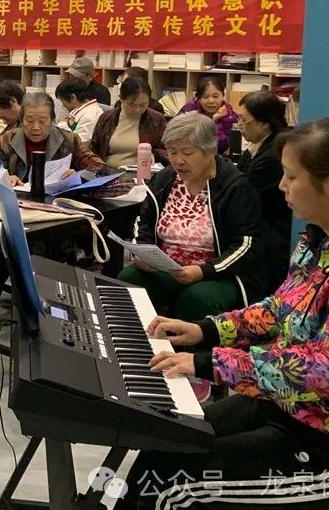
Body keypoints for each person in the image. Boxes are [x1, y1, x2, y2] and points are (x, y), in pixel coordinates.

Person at [106, 118, 329, 510]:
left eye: (291, 176)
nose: (281, 186)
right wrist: (205, 330)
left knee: (169, 486)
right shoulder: (323, 239)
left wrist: (208, 362)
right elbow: (279, 308)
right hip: (298, 409)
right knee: (168, 440)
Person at [0, 93, 108, 334]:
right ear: (21, 119)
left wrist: (79, 175)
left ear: (53, 120)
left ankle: (49, 306)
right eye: (29, 121)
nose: (36, 127)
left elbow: (99, 168)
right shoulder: (7, 139)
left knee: (46, 242)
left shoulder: (68, 140)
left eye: (43, 121)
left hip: (55, 215)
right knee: (5, 240)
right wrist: (5, 178)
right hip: (18, 210)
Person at [117, 113, 263, 332]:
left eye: (187, 152)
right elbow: (145, 220)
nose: (178, 160)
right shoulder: (165, 179)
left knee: (197, 299)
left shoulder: (235, 187)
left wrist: (203, 271)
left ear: (210, 151)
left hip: (217, 272)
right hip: (167, 268)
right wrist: (143, 251)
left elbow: (247, 245)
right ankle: (132, 343)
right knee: (128, 278)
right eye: (172, 152)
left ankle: (190, 352)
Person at [237, 90, 293, 295]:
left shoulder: (272, 155)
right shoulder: (259, 145)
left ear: (264, 123)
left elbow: (241, 192)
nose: (239, 125)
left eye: (243, 119)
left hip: (272, 235)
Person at [89, 76, 168, 170]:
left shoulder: (156, 120)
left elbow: (168, 149)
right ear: (121, 99)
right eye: (131, 105)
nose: (137, 109)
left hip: (141, 172)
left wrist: (154, 154)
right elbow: (94, 150)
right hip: (107, 172)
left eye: (143, 105)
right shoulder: (106, 118)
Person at [179, 75, 238, 154]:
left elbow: (221, 147)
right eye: (205, 97)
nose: (211, 101)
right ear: (198, 98)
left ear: (223, 96)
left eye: (215, 96)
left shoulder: (230, 116)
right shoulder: (188, 110)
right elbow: (176, 137)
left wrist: (215, 121)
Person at [55, 76, 103, 147]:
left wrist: (62, 124)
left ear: (73, 98)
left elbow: (79, 144)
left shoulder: (90, 116)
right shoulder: (83, 111)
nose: (62, 105)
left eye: (62, 100)